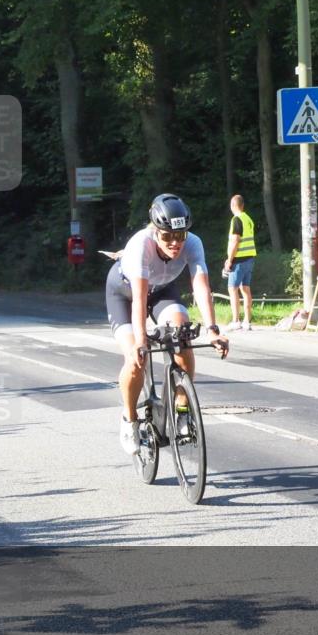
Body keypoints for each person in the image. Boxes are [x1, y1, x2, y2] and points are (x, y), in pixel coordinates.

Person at [106, 194, 229, 456]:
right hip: (125, 295)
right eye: (167, 236)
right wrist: (140, 341)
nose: (175, 243)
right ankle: (129, 419)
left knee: (182, 332)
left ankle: (182, 410)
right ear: (155, 231)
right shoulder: (141, 244)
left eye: (180, 235)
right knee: (135, 360)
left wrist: (213, 330)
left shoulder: (193, 243)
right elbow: (139, 299)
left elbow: (201, 285)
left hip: (161, 291)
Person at [224, 194, 256, 331]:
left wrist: (229, 260)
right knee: (245, 289)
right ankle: (247, 321)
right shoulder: (248, 219)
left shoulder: (236, 220)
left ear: (232, 206)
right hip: (250, 258)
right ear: (242, 205)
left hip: (239, 259)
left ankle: (235, 320)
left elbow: (235, 241)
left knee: (233, 289)